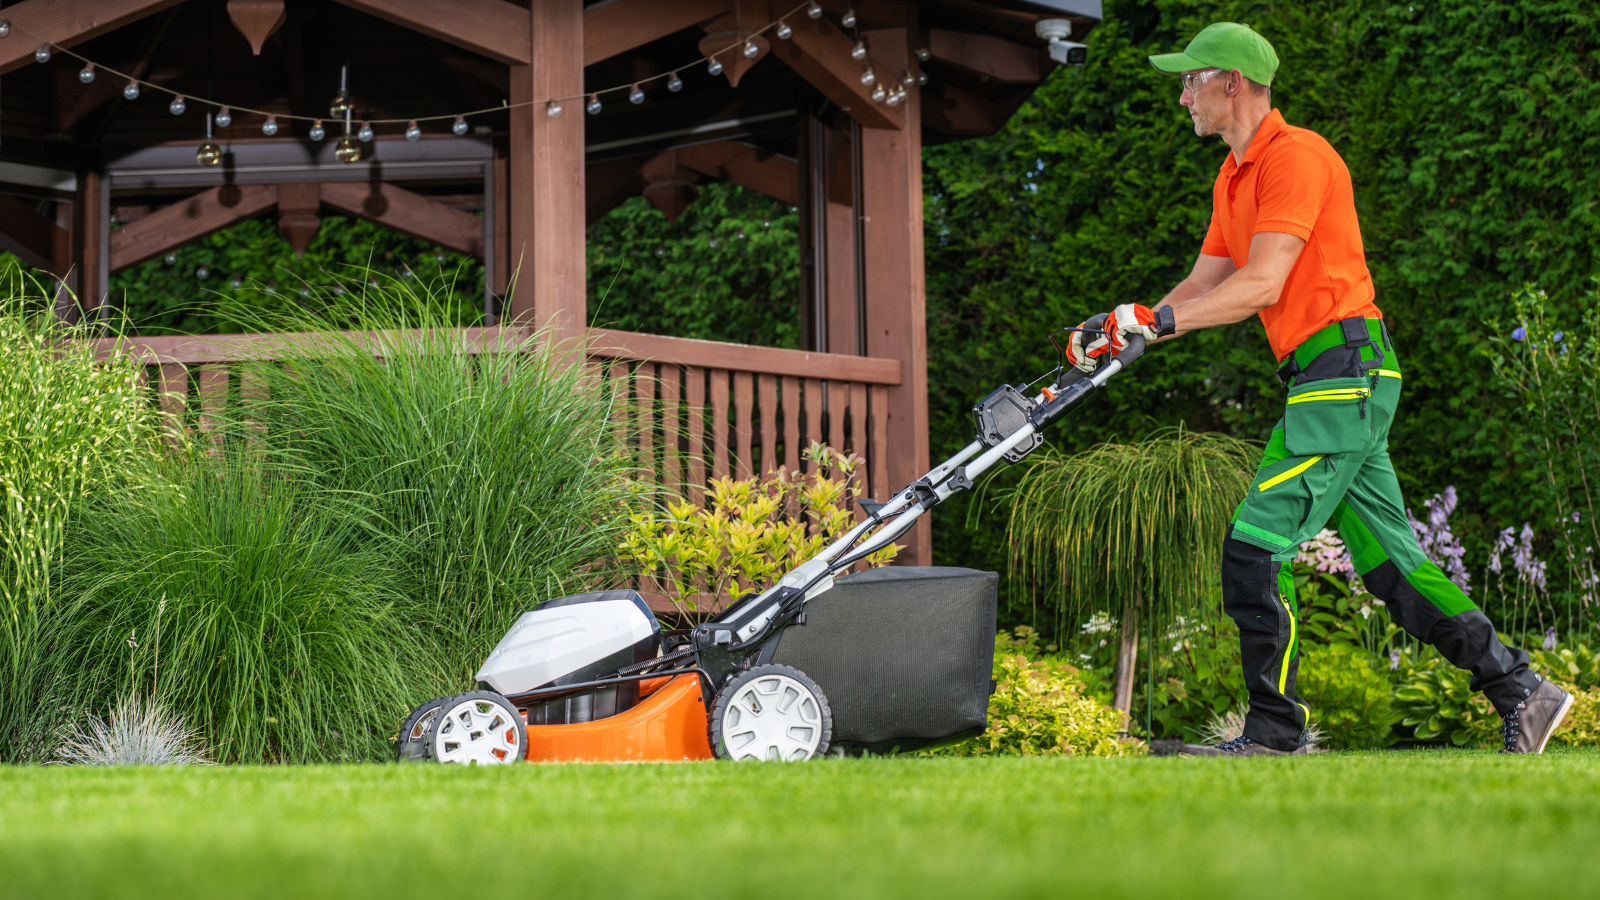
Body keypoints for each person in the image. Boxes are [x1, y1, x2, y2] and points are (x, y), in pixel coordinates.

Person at [1067, 22, 1572, 755]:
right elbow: (1207, 281)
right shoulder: (1233, 174)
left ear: (1231, 82)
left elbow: (1261, 282)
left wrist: (1157, 321)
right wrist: (1131, 326)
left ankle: (1275, 732)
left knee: (1254, 548)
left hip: (1343, 371)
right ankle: (1523, 690)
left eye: (1190, 80)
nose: (1182, 96)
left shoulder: (1296, 157)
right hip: (1329, 377)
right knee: (1395, 570)